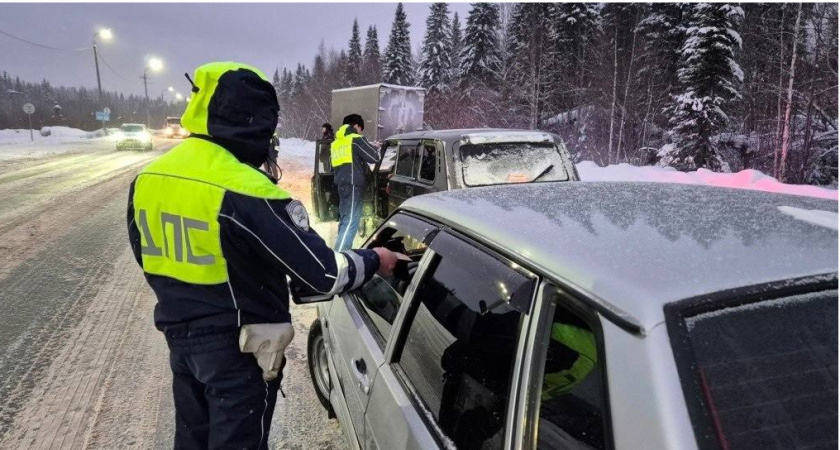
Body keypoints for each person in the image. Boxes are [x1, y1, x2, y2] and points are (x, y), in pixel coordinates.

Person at [126, 61, 398, 450]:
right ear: (253, 124)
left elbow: (147, 256)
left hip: (180, 342)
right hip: (239, 352)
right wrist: (375, 260)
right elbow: (321, 276)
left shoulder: (149, 179)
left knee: (192, 439)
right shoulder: (247, 189)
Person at [330, 113, 380, 250]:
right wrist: (375, 147)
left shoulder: (336, 144)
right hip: (353, 186)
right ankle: (340, 255)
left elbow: (332, 166)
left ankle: (339, 250)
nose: (360, 131)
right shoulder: (356, 140)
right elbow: (374, 157)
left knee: (345, 219)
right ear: (356, 125)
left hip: (341, 185)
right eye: (360, 128)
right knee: (351, 220)